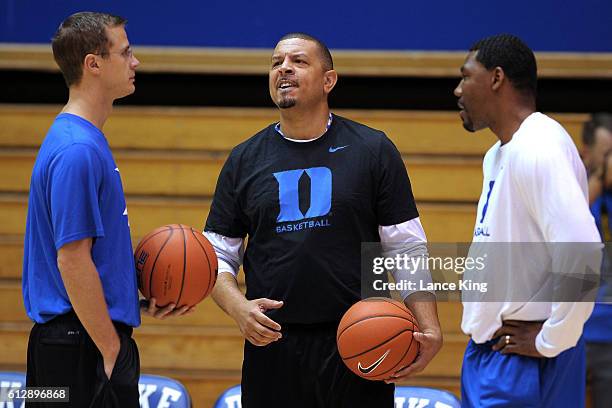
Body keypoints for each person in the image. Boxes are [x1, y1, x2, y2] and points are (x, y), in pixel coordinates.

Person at [204, 33, 442, 407]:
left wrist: (427, 324)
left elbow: (405, 247)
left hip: (362, 341)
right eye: (275, 62)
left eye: (298, 61)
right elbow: (216, 255)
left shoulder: (373, 149)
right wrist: (237, 307)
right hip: (274, 347)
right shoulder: (244, 160)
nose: (283, 68)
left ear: (328, 80)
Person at [22, 12, 190, 407]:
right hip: (80, 349)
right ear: (93, 64)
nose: (136, 62)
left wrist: (130, 299)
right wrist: (111, 349)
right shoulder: (77, 150)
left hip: (65, 347)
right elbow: (72, 260)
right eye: (125, 52)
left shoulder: (78, 139)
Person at [454, 33, 602, 407]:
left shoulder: (540, 146)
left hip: (524, 360)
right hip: (495, 354)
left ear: (496, 78)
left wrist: (553, 338)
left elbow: (582, 249)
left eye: (465, 76)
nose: (458, 90)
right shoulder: (500, 153)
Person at [581, 113, 612, 408]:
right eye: (605, 154)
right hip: (572, 330)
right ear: (587, 152)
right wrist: (598, 181)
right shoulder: (574, 187)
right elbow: (571, 221)